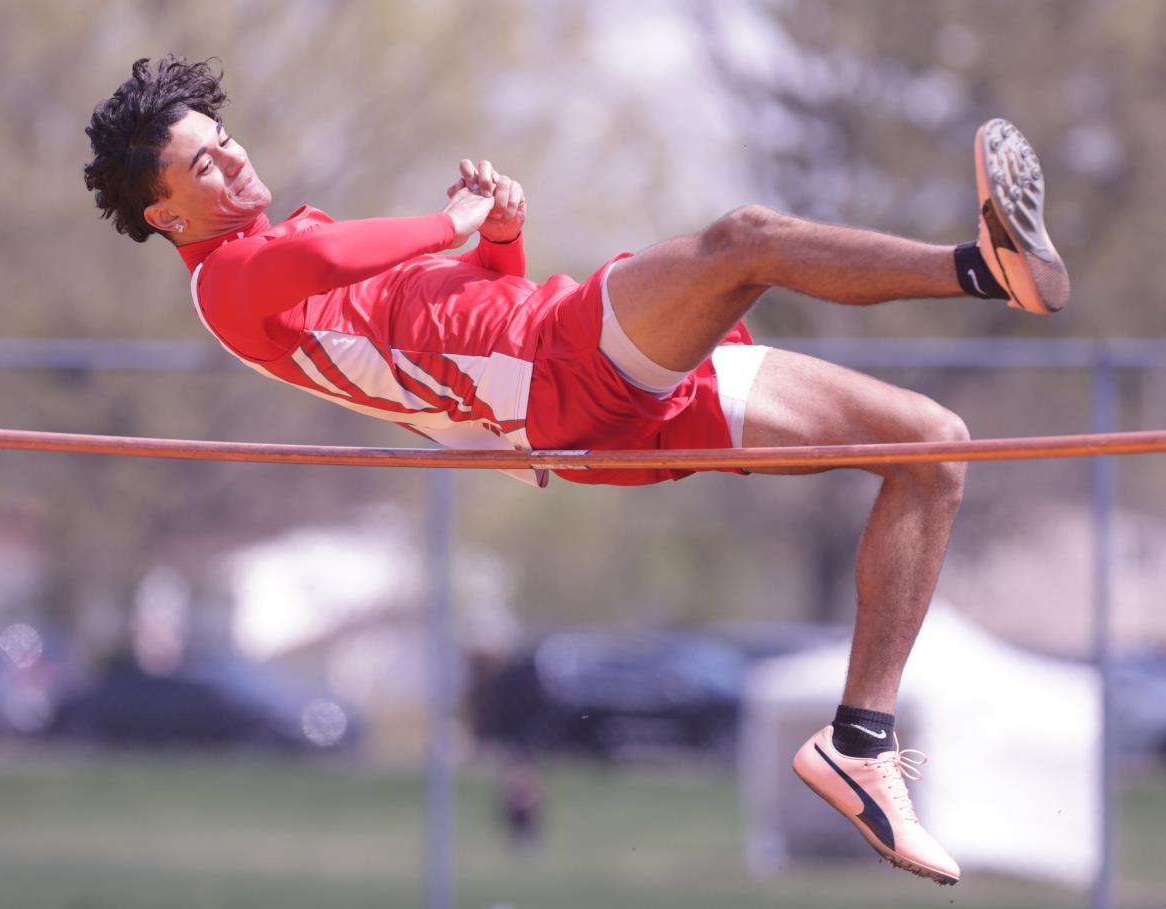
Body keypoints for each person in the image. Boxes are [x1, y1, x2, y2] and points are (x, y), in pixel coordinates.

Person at [84, 56, 1070, 886]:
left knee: (932, 449)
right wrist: (454, 222)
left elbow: (475, 313)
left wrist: (499, 237)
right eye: (200, 164)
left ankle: (858, 743)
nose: (230, 159)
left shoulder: (290, 248)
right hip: (563, 377)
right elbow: (358, 259)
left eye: (224, 139)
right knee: (745, 241)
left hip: (569, 386)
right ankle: (985, 268)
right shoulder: (230, 280)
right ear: (164, 214)